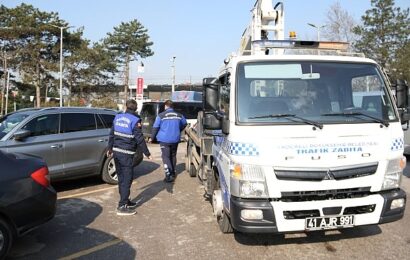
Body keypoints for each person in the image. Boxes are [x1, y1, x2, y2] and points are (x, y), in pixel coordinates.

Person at [107, 99, 152, 216]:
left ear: (126, 107)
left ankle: (126, 201)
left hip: (116, 153)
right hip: (126, 154)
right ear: (135, 108)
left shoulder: (117, 117)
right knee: (127, 179)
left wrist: (109, 148)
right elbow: (139, 138)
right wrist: (147, 153)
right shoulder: (135, 120)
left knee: (121, 178)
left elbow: (112, 134)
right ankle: (122, 206)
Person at [151, 100, 187, 183]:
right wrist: (178, 130)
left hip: (164, 140)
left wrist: (152, 138)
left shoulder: (161, 115)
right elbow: (184, 124)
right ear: (172, 106)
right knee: (173, 155)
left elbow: (155, 127)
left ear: (166, 106)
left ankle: (169, 175)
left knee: (166, 157)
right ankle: (173, 173)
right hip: (175, 139)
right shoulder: (179, 115)